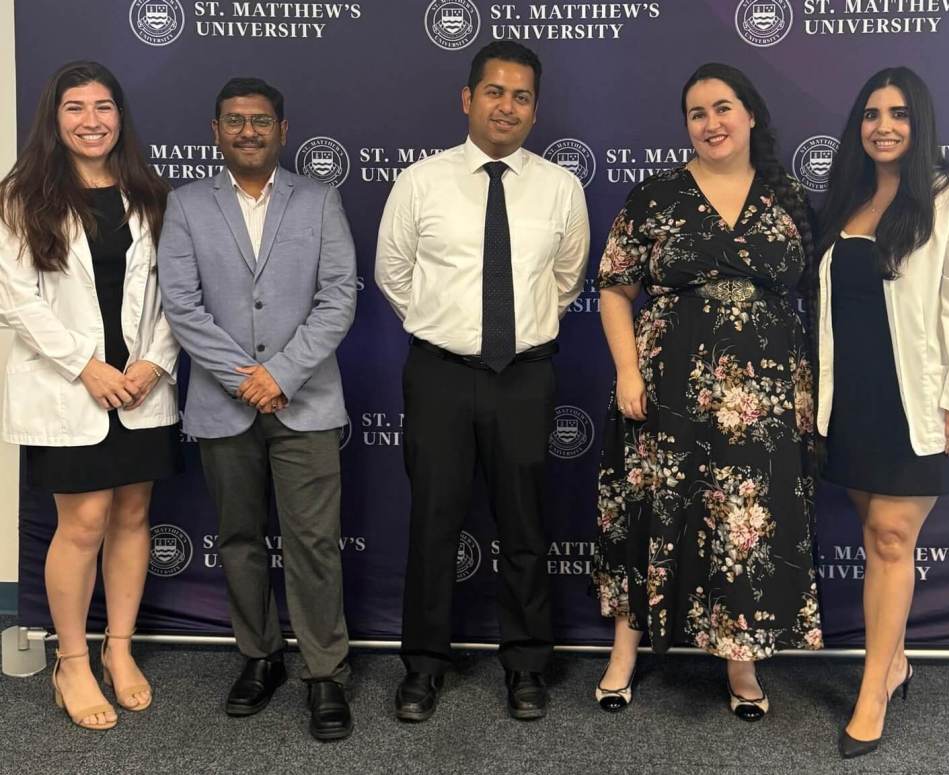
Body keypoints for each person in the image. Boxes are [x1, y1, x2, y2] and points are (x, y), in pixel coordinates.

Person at [592, 62, 822, 721]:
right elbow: (614, 288)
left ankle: (740, 659)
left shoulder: (787, 199)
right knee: (649, 513)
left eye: (723, 108)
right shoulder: (656, 195)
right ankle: (624, 653)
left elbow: (817, 295)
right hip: (667, 387)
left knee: (745, 523)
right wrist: (628, 371)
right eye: (697, 113)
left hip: (764, 399)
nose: (711, 123)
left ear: (750, 114)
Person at [375, 40, 589, 722]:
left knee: (525, 526)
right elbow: (393, 274)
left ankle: (526, 664)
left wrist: (513, 333)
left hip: (524, 377)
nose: (507, 106)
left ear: (535, 110)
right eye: (495, 92)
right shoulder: (420, 182)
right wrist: (449, 328)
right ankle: (424, 665)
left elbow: (565, 279)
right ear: (467, 98)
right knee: (433, 524)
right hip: (439, 374)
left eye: (521, 96)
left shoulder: (560, 187)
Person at [156, 77, 357, 741]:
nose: (249, 131)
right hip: (225, 404)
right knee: (239, 540)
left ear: (282, 130)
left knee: (314, 543)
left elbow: (338, 298)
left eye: (261, 120)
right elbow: (182, 305)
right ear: (216, 131)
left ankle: (325, 672)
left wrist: (282, 374)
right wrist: (247, 379)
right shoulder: (186, 205)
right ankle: (259, 656)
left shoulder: (319, 200)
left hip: (306, 401)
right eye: (236, 120)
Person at [0, 61, 180, 730]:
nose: (91, 120)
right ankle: (72, 661)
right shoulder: (20, 198)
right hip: (69, 388)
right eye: (75, 107)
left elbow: (176, 293)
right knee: (82, 524)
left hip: (139, 387)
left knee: (132, 514)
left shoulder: (150, 194)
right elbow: (15, 299)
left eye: (103, 106)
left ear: (120, 117)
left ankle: (118, 648)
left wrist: (153, 363)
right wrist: (87, 367)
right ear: (54, 119)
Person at [816, 67, 949, 759]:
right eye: (872, 113)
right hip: (851, 398)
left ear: (921, 124)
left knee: (890, 537)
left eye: (900, 113)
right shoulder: (845, 198)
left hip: (918, 397)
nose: (884, 126)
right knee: (874, 532)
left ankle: (874, 689)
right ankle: (898, 660)